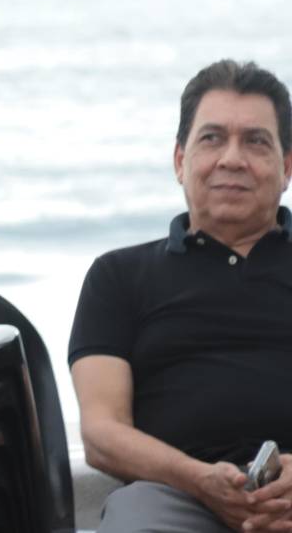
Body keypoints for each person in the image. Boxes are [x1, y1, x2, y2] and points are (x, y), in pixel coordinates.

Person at [69, 59, 292, 533]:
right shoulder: (118, 277)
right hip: (172, 497)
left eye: (256, 141)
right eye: (212, 138)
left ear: (287, 166)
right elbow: (102, 434)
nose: (232, 158)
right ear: (179, 161)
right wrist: (198, 479)